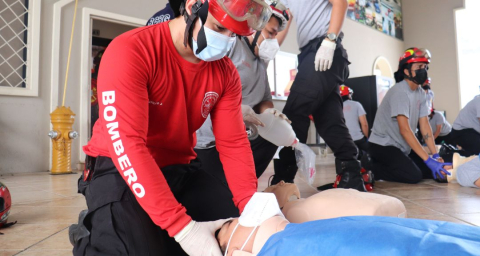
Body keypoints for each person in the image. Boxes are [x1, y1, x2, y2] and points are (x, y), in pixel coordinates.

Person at [73, 0, 273, 255]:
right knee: (140, 249)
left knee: (233, 232)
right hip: (117, 164)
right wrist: (183, 228)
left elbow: (233, 142)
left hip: (177, 166)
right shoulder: (131, 50)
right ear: (192, 7)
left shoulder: (225, 73)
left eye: (233, 35)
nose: (226, 41)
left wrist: (249, 207)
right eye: (219, 28)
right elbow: (127, 143)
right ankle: (90, 235)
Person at [271, 0, 367, 192]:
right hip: (309, 53)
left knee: (294, 113)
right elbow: (285, 19)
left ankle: (283, 181)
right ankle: (351, 177)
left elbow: (340, 2)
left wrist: (330, 40)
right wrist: (270, 48)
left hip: (324, 47)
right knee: (329, 121)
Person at [195, 1, 292, 183]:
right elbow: (203, 86)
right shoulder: (231, 45)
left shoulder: (261, 65)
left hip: (241, 136)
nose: (273, 41)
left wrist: (270, 113)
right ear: (254, 26)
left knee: (272, 139)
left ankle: (241, 183)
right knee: (218, 196)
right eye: (271, 33)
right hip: (210, 141)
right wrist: (233, 110)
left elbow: (264, 99)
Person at [215, 195, 480, 256]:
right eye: (230, 224)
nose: (238, 218)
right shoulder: (281, 249)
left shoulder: (293, 230)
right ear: (235, 250)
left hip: (328, 230)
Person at [368, 48, 451, 184]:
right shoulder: (400, 92)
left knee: (430, 173)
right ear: (407, 71)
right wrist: (427, 159)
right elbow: (405, 130)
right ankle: (370, 167)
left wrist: (434, 154)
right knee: (413, 176)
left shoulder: (421, 93)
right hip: (382, 145)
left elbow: (425, 126)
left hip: (401, 146)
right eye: (419, 67)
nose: (423, 70)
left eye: (425, 67)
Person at [264, 181, 406, 223]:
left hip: (382, 210)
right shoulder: (297, 213)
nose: (281, 182)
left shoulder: (310, 203)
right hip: (374, 218)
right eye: (275, 187)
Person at [340, 85, 369, 160]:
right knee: (370, 155)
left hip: (344, 141)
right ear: (349, 94)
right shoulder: (356, 104)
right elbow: (364, 124)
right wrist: (366, 137)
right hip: (358, 139)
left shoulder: (336, 108)